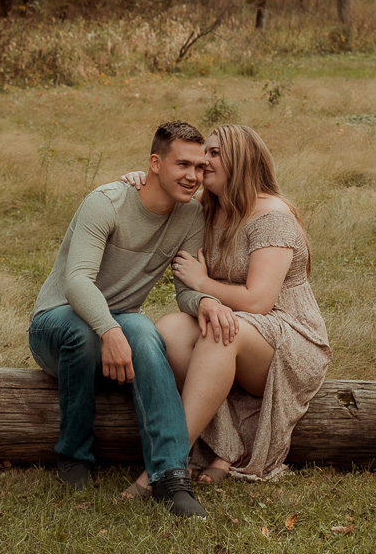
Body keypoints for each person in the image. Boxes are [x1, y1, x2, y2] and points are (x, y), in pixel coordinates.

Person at [27, 120, 240, 519]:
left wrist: (206, 301)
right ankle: (74, 455)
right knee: (86, 333)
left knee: (145, 332)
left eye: (199, 166)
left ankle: (171, 478)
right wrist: (108, 329)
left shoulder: (189, 216)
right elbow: (76, 282)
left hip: (122, 322)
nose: (193, 175)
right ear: (155, 164)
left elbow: (185, 289)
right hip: (56, 324)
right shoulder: (106, 202)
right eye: (182, 165)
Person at [120, 123, 329, 492]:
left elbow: (259, 301)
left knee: (220, 332)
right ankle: (225, 448)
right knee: (169, 329)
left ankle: (165, 464)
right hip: (238, 325)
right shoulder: (207, 208)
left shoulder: (271, 216)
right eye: (204, 155)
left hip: (289, 337)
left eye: (214, 154)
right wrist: (141, 178)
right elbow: (160, 194)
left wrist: (203, 284)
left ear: (241, 161)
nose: (203, 162)